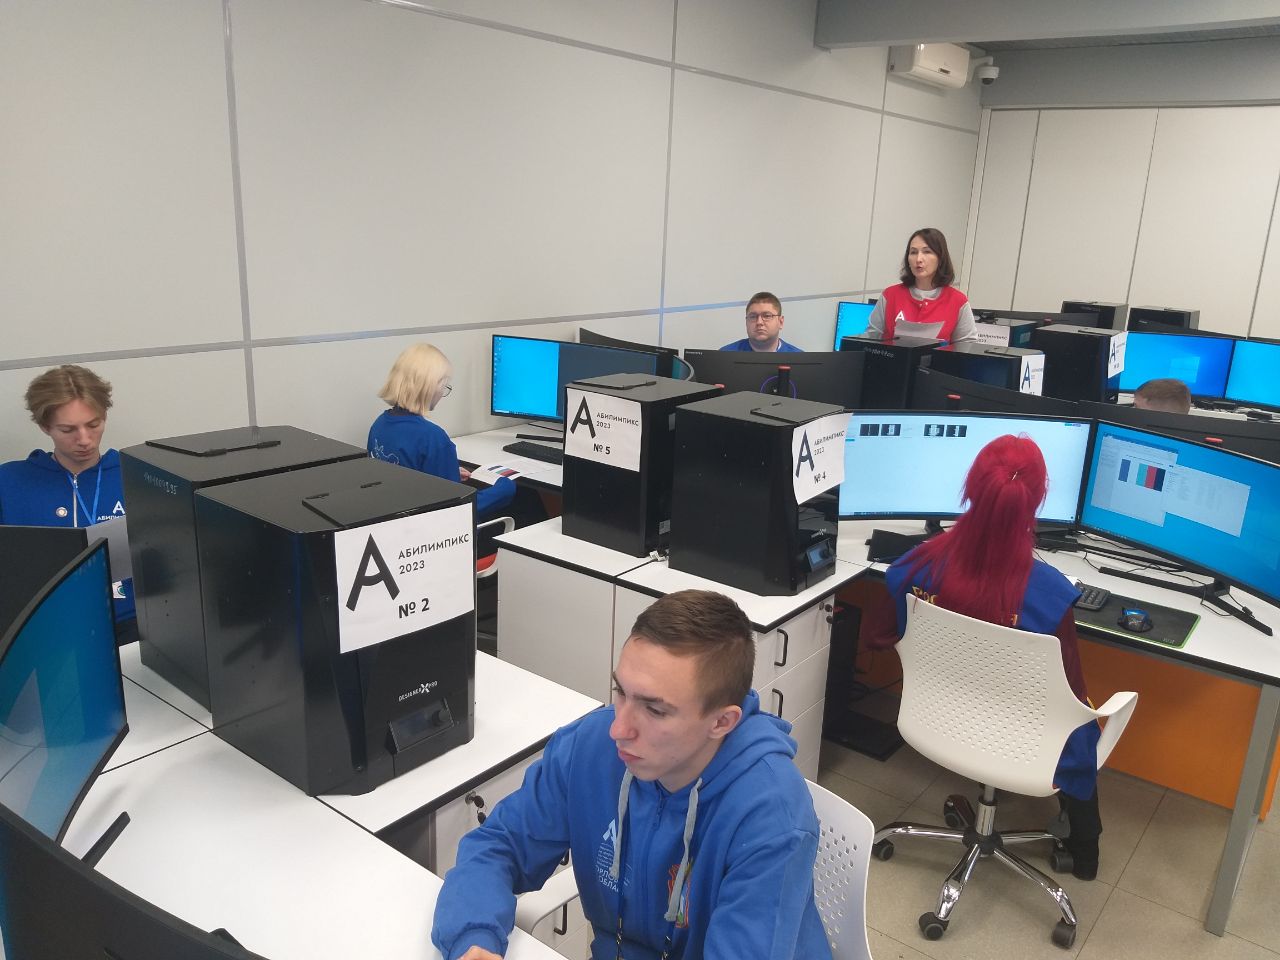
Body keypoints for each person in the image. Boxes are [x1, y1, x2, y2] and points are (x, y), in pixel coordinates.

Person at [431, 589, 833, 960]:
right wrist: (474, 939)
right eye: (621, 692)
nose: (618, 729)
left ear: (721, 722)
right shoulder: (588, 748)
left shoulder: (771, 818)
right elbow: (498, 846)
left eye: (654, 710)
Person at [866, 435, 1102, 880]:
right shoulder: (1051, 595)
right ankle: (1085, 849)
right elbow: (1072, 695)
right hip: (1021, 733)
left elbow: (881, 635)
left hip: (938, 716)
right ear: (1038, 500)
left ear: (970, 487)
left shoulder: (912, 567)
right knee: (1084, 720)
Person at [0, 364, 135, 633]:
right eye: (67, 429)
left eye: (94, 424)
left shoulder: (135, 476)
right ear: (44, 426)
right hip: (44, 628)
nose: (84, 439)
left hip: (131, 624)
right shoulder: (9, 482)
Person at [368, 343, 515, 518]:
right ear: (429, 388)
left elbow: (404, 480)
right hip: (436, 530)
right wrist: (505, 488)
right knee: (527, 502)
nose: (442, 394)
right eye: (443, 386)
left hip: (397, 522)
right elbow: (456, 510)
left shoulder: (379, 425)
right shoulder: (432, 438)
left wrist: (445, 471)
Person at [865, 227, 978, 343]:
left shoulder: (958, 301)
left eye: (927, 252)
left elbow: (966, 345)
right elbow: (871, 337)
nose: (918, 259)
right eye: (913, 252)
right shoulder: (890, 295)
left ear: (940, 258)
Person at [721, 291, 802, 353]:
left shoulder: (799, 359)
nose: (759, 322)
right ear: (746, 322)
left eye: (767, 316)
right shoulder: (725, 355)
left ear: (780, 322)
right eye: (753, 316)